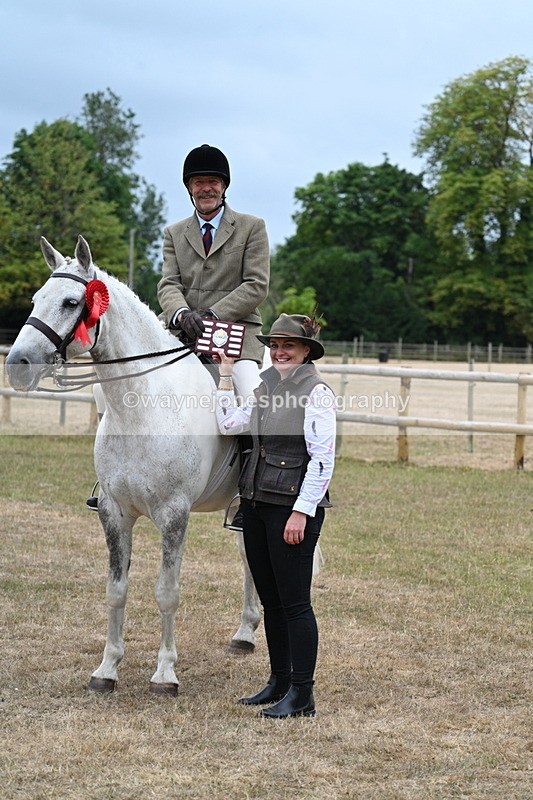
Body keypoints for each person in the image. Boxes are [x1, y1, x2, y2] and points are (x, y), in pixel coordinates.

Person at [214, 313, 336, 719]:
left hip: (291, 510)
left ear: (306, 351)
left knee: (295, 604)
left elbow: (322, 459)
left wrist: (301, 512)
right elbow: (229, 424)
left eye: (289, 346)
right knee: (271, 601)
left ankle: (302, 694)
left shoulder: (316, 392)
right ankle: (279, 681)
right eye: (275, 346)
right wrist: (226, 376)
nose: (280, 352)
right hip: (255, 505)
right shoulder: (264, 386)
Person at [157, 143, 270, 406]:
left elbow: (256, 284)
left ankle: (256, 435)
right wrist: (182, 314)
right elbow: (169, 283)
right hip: (182, 331)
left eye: (213, 182)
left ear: (224, 186)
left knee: (251, 395)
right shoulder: (174, 233)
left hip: (235, 332)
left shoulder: (252, 227)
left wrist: (213, 316)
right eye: (199, 182)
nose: (206, 188)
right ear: (189, 187)